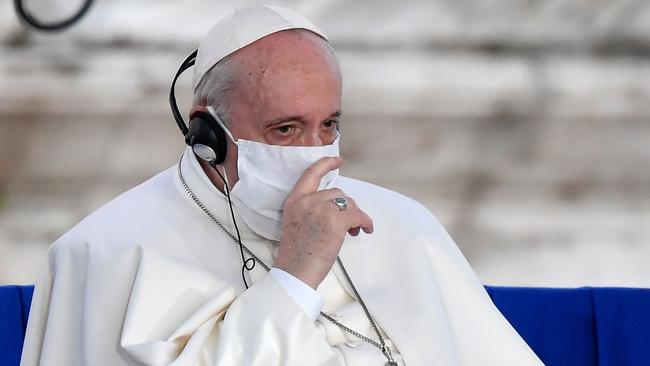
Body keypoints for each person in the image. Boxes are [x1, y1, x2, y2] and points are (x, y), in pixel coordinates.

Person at [21, 5, 543, 366]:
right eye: (285, 129)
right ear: (207, 132)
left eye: (330, 125)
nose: (315, 152)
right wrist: (295, 277)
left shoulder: (405, 225)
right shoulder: (107, 253)